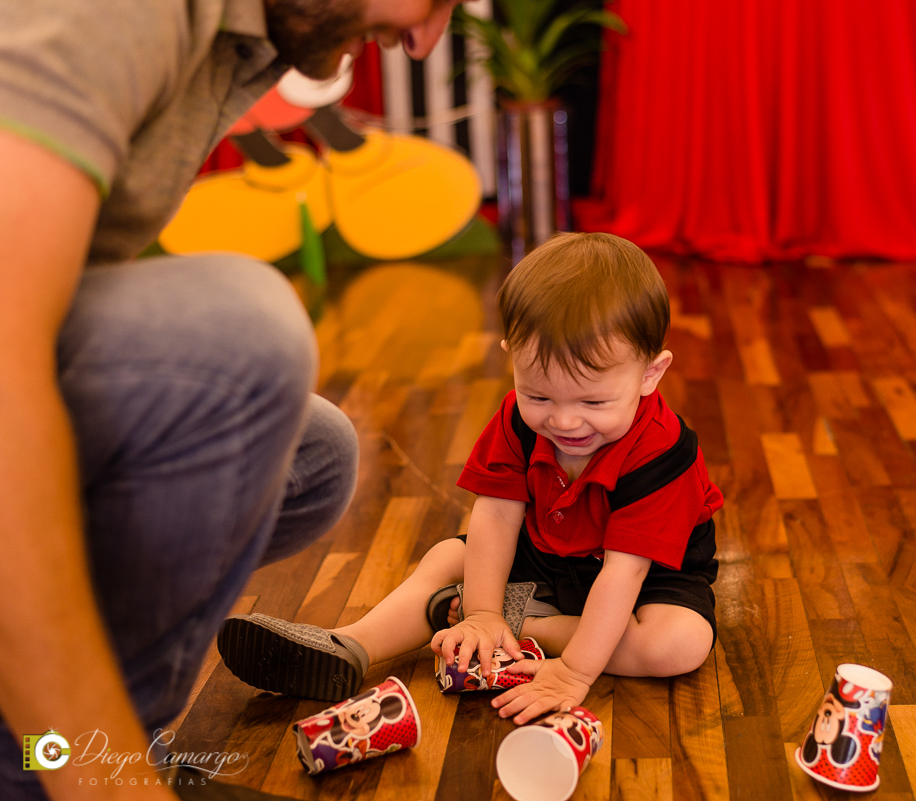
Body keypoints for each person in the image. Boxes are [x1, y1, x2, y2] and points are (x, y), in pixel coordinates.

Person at [0, 1, 464, 799]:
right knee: (241, 343)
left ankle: (52, 737)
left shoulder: (237, 42)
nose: (426, 42)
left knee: (315, 454)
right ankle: (57, 769)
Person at [217, 232, 723, 723]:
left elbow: (622, 574)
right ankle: (352, 644)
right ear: (512, 359)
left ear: (650, 375)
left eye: (594, 402)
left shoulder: (662, 453)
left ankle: (518, 621)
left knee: (677, 644)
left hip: (644, 576)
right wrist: (483, 611)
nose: (564, 422)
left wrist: (573, 672)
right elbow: (498, 513)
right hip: (548, 555)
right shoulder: (517, 421)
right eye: (540, 397)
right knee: (449, 555)